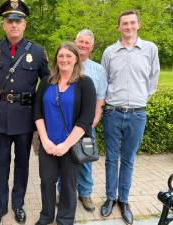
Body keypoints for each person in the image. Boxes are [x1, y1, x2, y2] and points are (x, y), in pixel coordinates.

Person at [0, 0, 50, 224]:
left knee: (22, 164)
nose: (14, 25)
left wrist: (42, 114)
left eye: (18, 21)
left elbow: (48, 83)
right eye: (9, 21)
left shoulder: (38, 52)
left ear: (24, 25)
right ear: (4, 25)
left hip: (25, 117)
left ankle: (18, 204)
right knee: (0, 165)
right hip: (0, 117)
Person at [100, 10, 160, 225]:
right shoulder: (109, 52)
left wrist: (141, 97)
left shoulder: (150, 49)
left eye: (132, 23)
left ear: (138, 25)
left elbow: (153, 79)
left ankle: (123, 201)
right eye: (124, 23)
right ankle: (110, 198)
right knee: (111, 159)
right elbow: (104, 81)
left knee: (128, 160)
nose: (128, 26)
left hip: (137, 114)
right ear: (118, 27)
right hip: (112, 113)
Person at [34, 42, 96, 225]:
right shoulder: (46, 81)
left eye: (69, 56)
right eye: (61, 56)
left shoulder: (85, 83)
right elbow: (37, 112)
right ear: (56, 60)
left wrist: (65, 145)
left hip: (72, 144)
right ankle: (46, 217)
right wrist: (45, 140)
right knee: (46, 182)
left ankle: (65, 219)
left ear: (76, 58)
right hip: (48, 144)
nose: (64, 59)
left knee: (69, 185)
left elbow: (86, 119)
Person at [74, 29, 107, 211]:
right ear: (75, 41)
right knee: (64, 158)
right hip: (66, 123)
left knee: (85, 158)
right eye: (80, 41)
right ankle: (61, 191)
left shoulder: (98, 69)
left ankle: (85, 193)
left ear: (92, 46)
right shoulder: (66, 62)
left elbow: (101, 97)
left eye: (87, 43)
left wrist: (94, 120)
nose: (83, 45)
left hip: (86, 124)